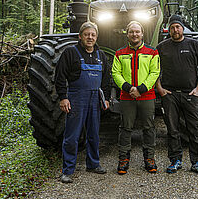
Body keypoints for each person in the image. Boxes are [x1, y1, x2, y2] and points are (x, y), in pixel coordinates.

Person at [156, 14, 198, 177]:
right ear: (169, 29)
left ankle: (197, 162)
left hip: (190, 94)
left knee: (195, 129)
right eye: (172, 27)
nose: (175, 30)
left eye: (177, 27)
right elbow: (155, 70)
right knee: (173, 130)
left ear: (182, 28)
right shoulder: (162, 47)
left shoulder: (194, 45)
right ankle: (175, 160)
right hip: (170, 95)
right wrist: (160, 89)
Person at [55, 21, 110, 183]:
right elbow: (60, 76)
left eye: (93, 35)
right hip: (76, 98)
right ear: (80, 36)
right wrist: (63, 97)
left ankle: (93, 164)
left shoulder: (101, 55)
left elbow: (106, 80)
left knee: (93, 134)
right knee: (72, 136)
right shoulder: (71, 53)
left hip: (95, 99)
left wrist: (105, 98)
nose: (90, 37)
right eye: (86, 34)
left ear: (96, 37)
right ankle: (67, 170)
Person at [111, 21, 160, 175]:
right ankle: (124, 159)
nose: (134, 34)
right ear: (127, 34)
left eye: (137, 32)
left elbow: (154, 73)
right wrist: (128, 88)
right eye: (131, 32)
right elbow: (115, 73)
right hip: (127, 97)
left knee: (148, 128)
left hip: (147, 96)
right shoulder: (119, 53)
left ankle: (149, 159)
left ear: (142, 34)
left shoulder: (152, 52)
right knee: (125, 128)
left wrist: (141, 89)